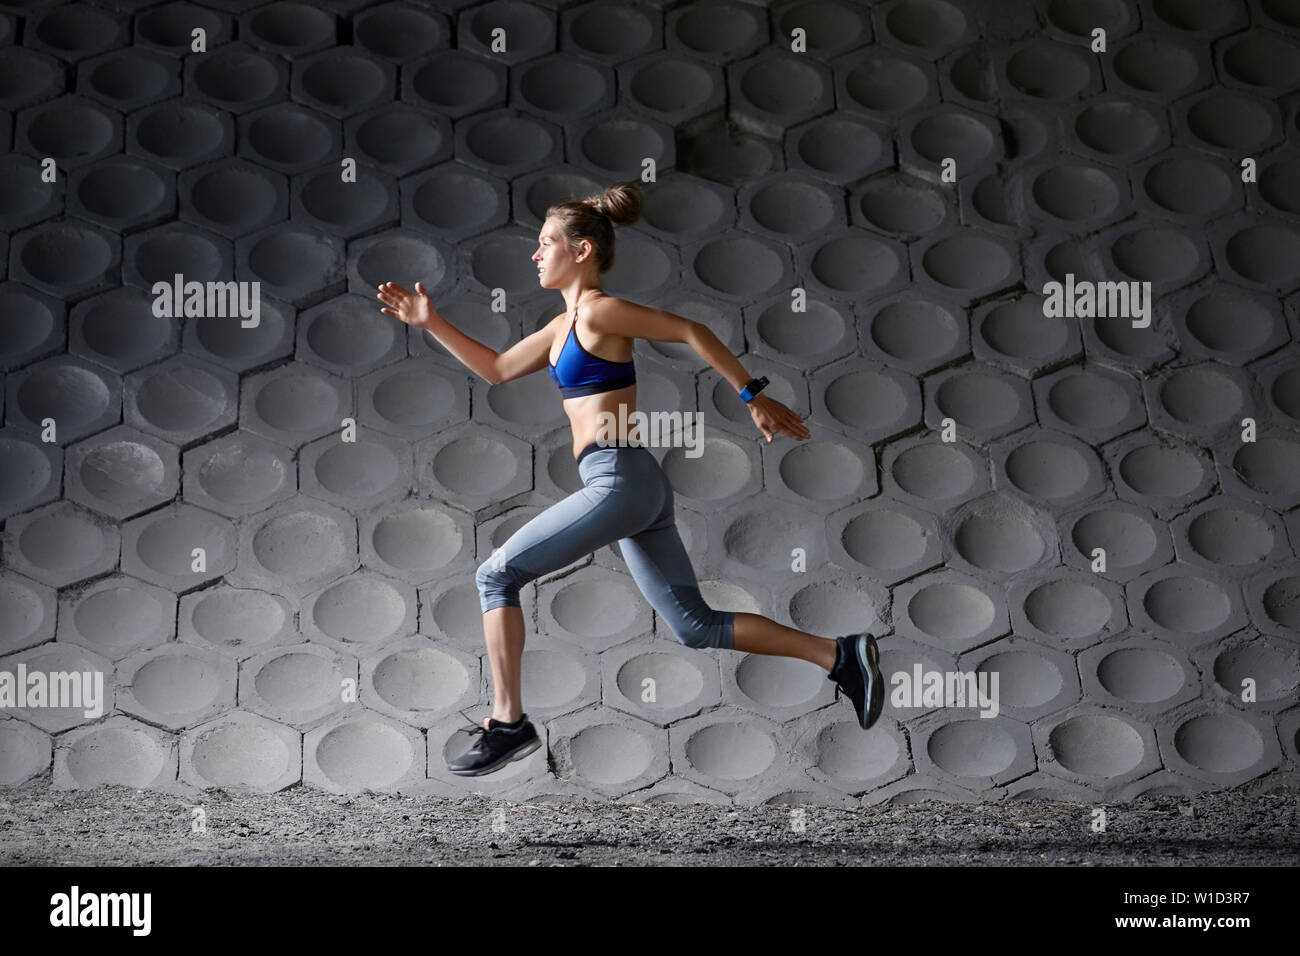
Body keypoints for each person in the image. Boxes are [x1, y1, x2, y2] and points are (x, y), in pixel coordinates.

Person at [377, 181, 882, 777]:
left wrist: (752, 395)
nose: (535, 255)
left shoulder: (598, 311)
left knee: (496, 574)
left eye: (546, 244)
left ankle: (508, 723)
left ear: (582, 250)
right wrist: (430, 321)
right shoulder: (560, 326)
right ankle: (839, 655)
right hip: (629, 482)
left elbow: (689, 331)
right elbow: (495, 369)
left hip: (618, 479)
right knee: (695, 626)